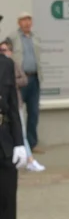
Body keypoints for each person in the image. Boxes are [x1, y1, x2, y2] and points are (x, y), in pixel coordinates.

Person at [0, 35, 26, 219]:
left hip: (4, 139)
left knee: (7, 198)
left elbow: (12, 105)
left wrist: (19, 142)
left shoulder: (6, 64)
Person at [0, 39, 43, 172]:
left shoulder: (10, 65)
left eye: (5, 50)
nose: (3, 53)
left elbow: (22, 82)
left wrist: (18, 144)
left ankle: (29, 159)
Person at [7, 12, 42, 151]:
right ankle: (19, 143)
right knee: (17, 113)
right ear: (18, 23)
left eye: (29, 20)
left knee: (34, 113)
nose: (27, 23)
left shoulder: (36, 37)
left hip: (34, 78)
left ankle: (32, 144)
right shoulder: (12, 38)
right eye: (23, 20)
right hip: (20, 81)